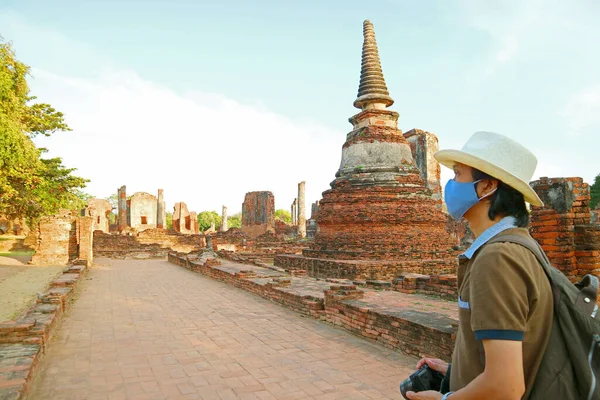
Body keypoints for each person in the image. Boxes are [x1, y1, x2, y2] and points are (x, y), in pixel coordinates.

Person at [406, 131, 553, 400]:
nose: (451, 184)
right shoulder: (519, 245)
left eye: (458, 174)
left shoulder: (498, 258)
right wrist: (457, 370)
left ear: (487, 187)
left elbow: (506, 387)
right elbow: (509, 359)